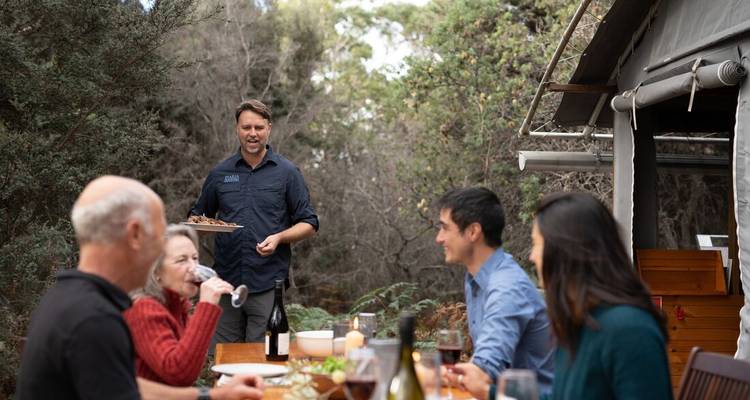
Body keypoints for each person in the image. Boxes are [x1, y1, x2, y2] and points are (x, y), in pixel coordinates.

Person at [16, 175, 264, 400]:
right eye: (157, 236)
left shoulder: (69, 297)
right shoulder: (94, 319)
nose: (159, 251)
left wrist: (212, 396)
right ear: (134, 234)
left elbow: (129, 385)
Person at [190, 99, 319, 344]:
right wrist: (203, 228)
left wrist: (280, 237)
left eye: (258, 128)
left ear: (268, 128)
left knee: (265, 360)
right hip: (226, 283)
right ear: (237, 129)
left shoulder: (287, 173)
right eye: (246, 127)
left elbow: (309, 222)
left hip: (268, 283)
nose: (252, 134)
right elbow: (198, 217)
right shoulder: (220, 173)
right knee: (224, 361)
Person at [521, 192, 671, 400]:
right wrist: (492, 393)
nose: (532, 256)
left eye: (537, 243)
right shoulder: (579, 322)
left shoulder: (628, 330)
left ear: (565, 252)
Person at [434, 187, 555, 396]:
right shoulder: (477, 278)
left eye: (445, 228)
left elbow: (482, 372)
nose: (439, 238)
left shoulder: (507, 288)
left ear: (473, 232)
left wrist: (418, 370)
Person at [124, 224, 234, 385]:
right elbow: (179, 374)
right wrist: (206, 308)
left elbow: (192, 363)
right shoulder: (144, 309)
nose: (193, 268)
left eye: (195, 258)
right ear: (156, 272)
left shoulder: (177, 306)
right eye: (182, 260)